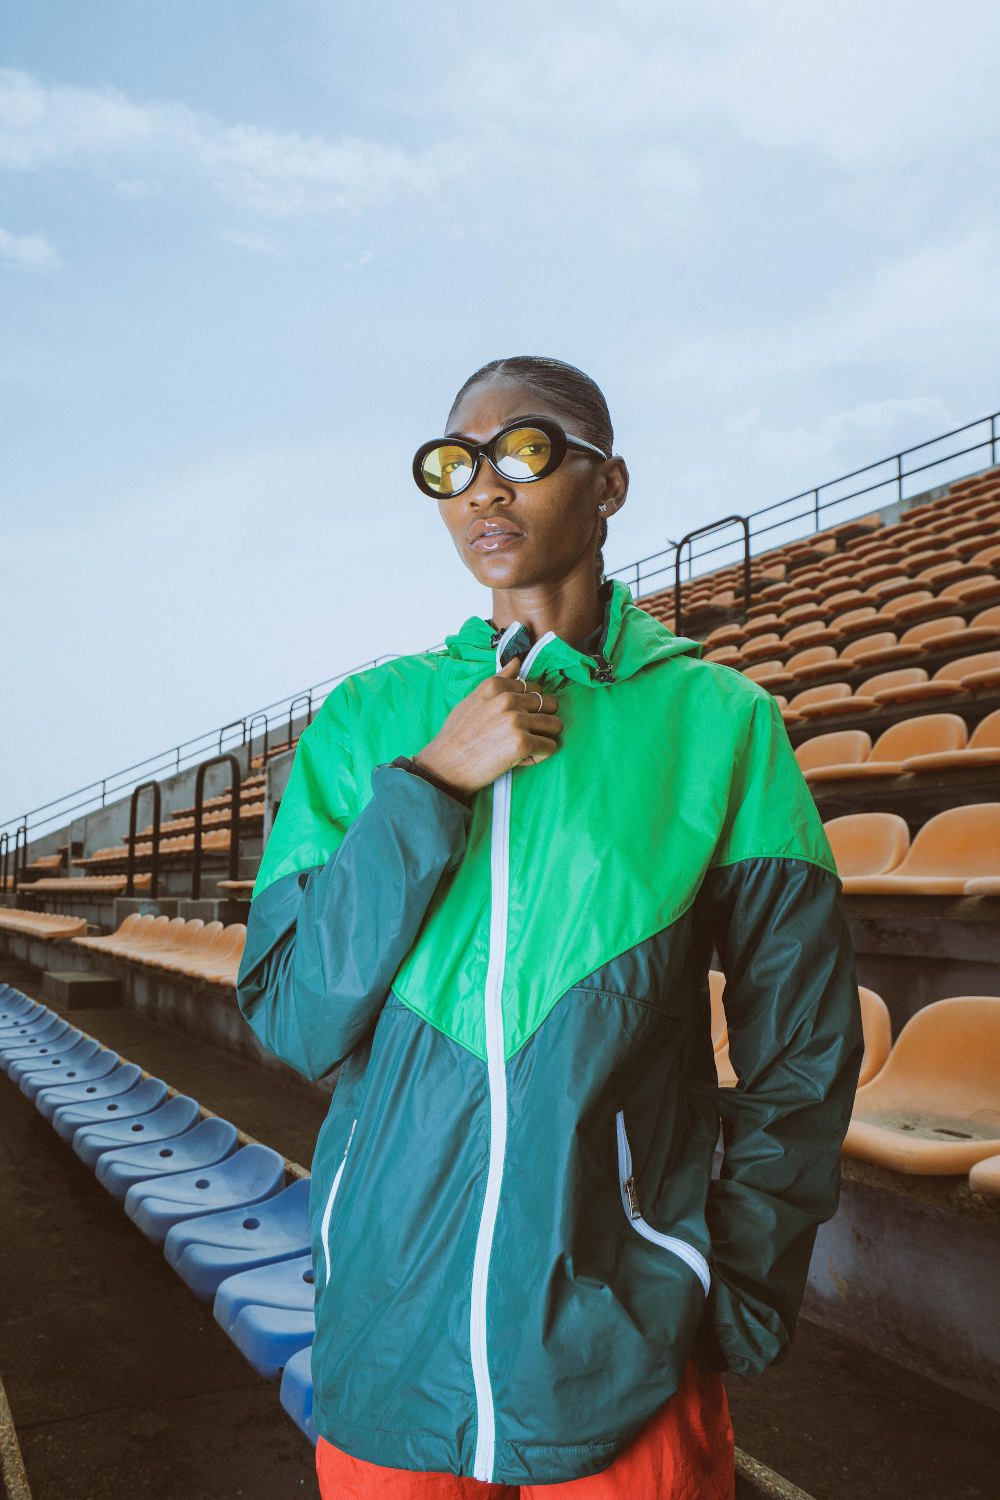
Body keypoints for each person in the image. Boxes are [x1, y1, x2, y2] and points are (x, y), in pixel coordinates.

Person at [236, 355, 864, 1498]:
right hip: (388, 1333)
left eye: (524, 451)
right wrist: (427, 784)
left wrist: (733, 1281)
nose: (484, 487)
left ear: (609, 483)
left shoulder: (716, 724)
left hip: (624, 1343)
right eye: (453, 465)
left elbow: (804, 1042)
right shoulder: (367, 723)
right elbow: (295, 1015)